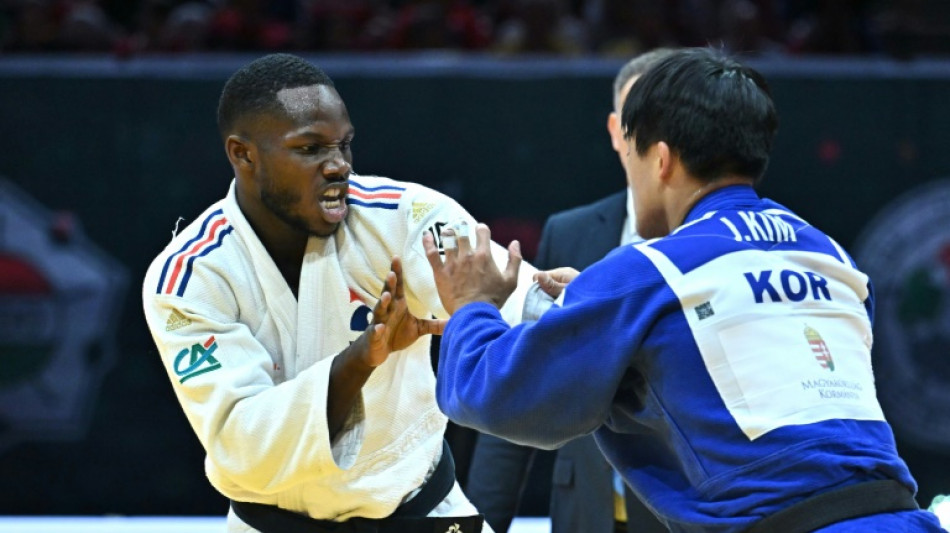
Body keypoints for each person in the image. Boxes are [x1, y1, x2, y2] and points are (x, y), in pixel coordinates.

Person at [423, 47, 948, 532]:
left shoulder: (644, 272)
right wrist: (597, 304)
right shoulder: (831, 255)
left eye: (631, 152)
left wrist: (473, 307)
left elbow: (500, 397)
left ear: (662, 158)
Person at [141, 53, 538, 533]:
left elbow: (518, 302)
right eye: (309, 149)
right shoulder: (190, 277)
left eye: (344, 146)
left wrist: (562, 301)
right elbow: (245, 447)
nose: (338, 167)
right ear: (243, 154)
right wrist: (361, 359)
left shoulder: (404, 217)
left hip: (418, 511)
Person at [464, 49, 674, 533]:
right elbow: (518, 384)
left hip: (680, 515)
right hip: (584, 513)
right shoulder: (571, 232)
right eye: (633, 120)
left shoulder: (715, 244)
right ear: (614, 131)